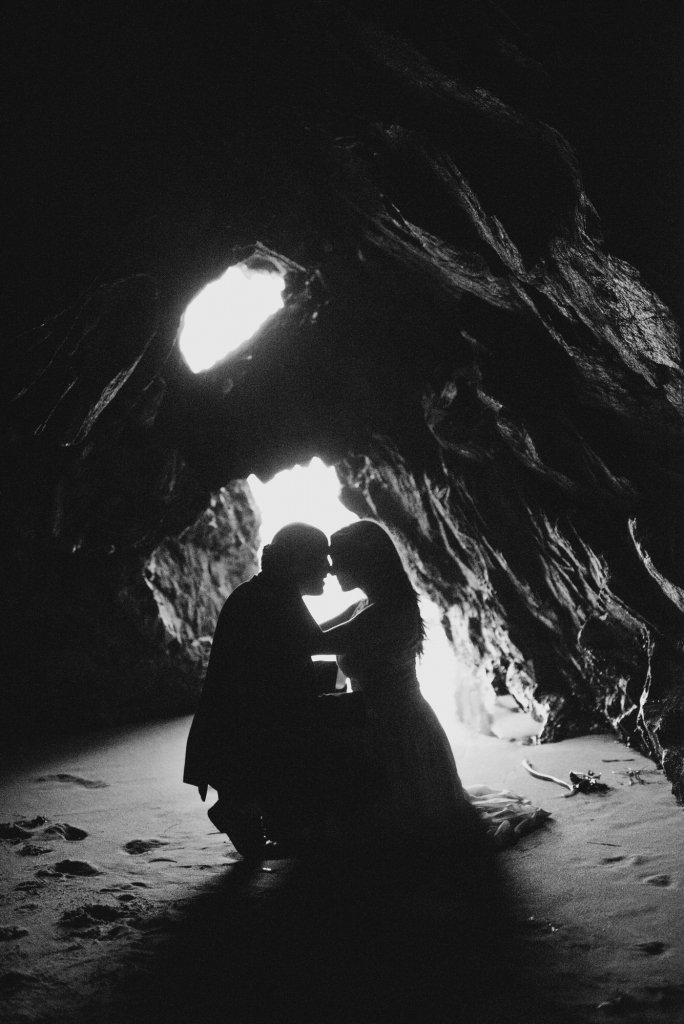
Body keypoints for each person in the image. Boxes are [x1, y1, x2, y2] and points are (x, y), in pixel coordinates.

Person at [312, 520, 549, 856]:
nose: (331, 569)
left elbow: (312, 642)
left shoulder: (387, 611)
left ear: (362, 560)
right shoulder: (365, 606)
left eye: (337, 559)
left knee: (413, 834)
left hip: (401, 729)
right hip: (379, 722)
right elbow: (314, 634)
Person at [183, 522, 344, 860]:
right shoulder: (277, 598)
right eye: (322, 558)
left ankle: (242, 814)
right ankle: (239, 812)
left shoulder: (261, 591)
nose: (329, 569)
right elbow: (316, 642)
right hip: (253, 721)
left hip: (237, 716)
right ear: (298, 562)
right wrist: (371, 613)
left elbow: (303, 642)